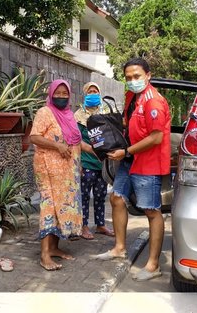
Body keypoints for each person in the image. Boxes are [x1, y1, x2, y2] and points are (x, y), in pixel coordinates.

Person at [93, 57, 171, 282]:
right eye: (128, 78)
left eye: (137, 76)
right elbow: (129, 126)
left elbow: (156, 138)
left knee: (151, 210)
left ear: (148, 75)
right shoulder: (132, 97)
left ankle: (153, 264)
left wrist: (125, 152)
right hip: (130, 159)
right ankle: (119, 248)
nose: (132, 81)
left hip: (147, 162)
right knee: (116, 199)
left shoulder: (154, 101)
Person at [30, 79, 94, 271]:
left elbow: (76, 142)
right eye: (57, 93)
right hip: (48, 168)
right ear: (50, 94)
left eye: (64, 93)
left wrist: (96, 151)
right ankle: (44, 255)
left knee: (61, 207)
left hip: (68, 170)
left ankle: (54, 248)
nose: (61, 96)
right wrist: (57, 145)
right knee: (49, 206)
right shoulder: (45, 112)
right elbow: (34, 137)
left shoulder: (69, 115)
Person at [73, 82, 115, 240]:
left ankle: (100, 224)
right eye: (89, 91)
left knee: (100, 194)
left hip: (101, 163)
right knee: (83, 196)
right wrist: (81, 160)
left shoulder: (104, 113)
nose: (93, 94)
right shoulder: (78, 116)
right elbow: (76, 141)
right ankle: (83, 226)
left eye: (95, 91)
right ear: (85, 95)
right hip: (86, 162)